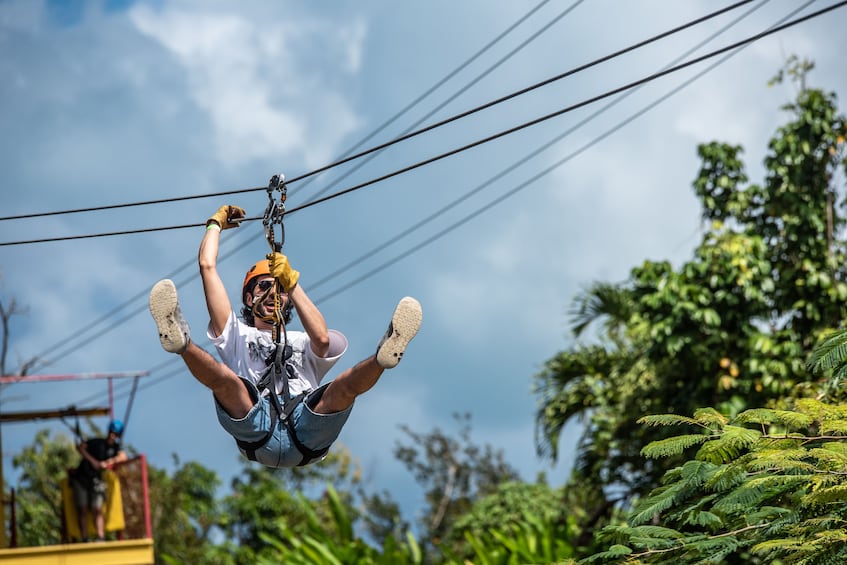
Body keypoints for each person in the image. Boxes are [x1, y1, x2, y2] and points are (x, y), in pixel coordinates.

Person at [148, 204, 422, 468]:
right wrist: (214, 225)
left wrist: (292, 283)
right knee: (226, 381)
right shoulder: (236, 334)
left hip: (306, 422)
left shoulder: (302, 340)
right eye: (263, 286)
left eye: (279, 289)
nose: (271, 293)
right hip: (256, 422)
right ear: (248, 296)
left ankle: (383, 356)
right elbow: (207, 267)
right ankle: (181, 342)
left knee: (343, 388)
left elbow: (323, 340)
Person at [69, 419, 128, 542]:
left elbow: (123, 457)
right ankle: (85, 538)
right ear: (108, 432)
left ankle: (100, 537)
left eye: (116, 434)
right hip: (82, 478)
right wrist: (93, 461)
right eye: (111, 432)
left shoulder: (116, 448)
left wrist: (107, 463)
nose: (113, 436)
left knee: (98, 509)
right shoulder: (97, 442)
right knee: (83, 508)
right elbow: (80, 447)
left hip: (96, 480)